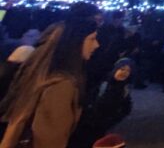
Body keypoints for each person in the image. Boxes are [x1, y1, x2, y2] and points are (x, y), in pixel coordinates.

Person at [0, 14, 99, 148]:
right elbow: (48, 139)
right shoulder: (62, 85)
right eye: (91, 39)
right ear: (75, 42)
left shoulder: (44, 74)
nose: (96, 45)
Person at [69, 58, 134, 148]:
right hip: (88, 122)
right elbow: (89, 99)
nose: (124, 73)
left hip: (103, 126)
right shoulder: (104, 84)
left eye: (128, 71)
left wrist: (113, 119)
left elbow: (126, 109)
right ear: (115, 69)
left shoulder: (124, 90)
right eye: (122, 69)